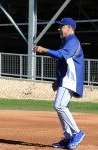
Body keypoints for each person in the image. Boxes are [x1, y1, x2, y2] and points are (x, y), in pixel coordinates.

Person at [33, 18, 85, 149]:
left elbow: (62, 56)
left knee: (59, 106)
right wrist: (58, 80)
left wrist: (44, 50)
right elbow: (64, 63)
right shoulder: (67, 41)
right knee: (61, 107)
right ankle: (67, 137)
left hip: (71, 79)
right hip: (66, 79)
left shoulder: (73, 41)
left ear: (68, 27)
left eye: (61, 26)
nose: (59, 29)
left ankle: (77, 132)